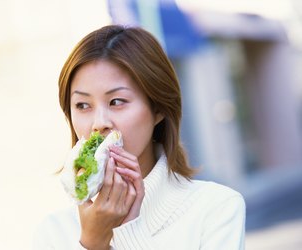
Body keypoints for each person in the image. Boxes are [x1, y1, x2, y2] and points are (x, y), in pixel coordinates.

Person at [33, 25, 246, 250]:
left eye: (116, 101)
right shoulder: (53, 232)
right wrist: (92, 242)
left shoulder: (217, 209)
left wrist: (129, 229)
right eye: (82, 105)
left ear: (158, 109)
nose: (99, 123)